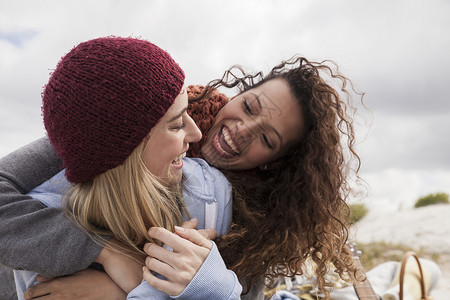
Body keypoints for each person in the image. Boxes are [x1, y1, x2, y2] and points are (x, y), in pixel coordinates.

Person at [0, 55, 363, 299]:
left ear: (276, 160)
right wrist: (103, 250)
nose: (242, 129)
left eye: (267, 139)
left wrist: (122, 289)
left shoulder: (262, 228)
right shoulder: (137, 114)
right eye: (250, 106)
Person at [5, 36, 241, 300]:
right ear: (124, 153)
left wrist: (129, 290)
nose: (197, 134)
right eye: (176, 125)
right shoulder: (41, 237)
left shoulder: (213, 195)